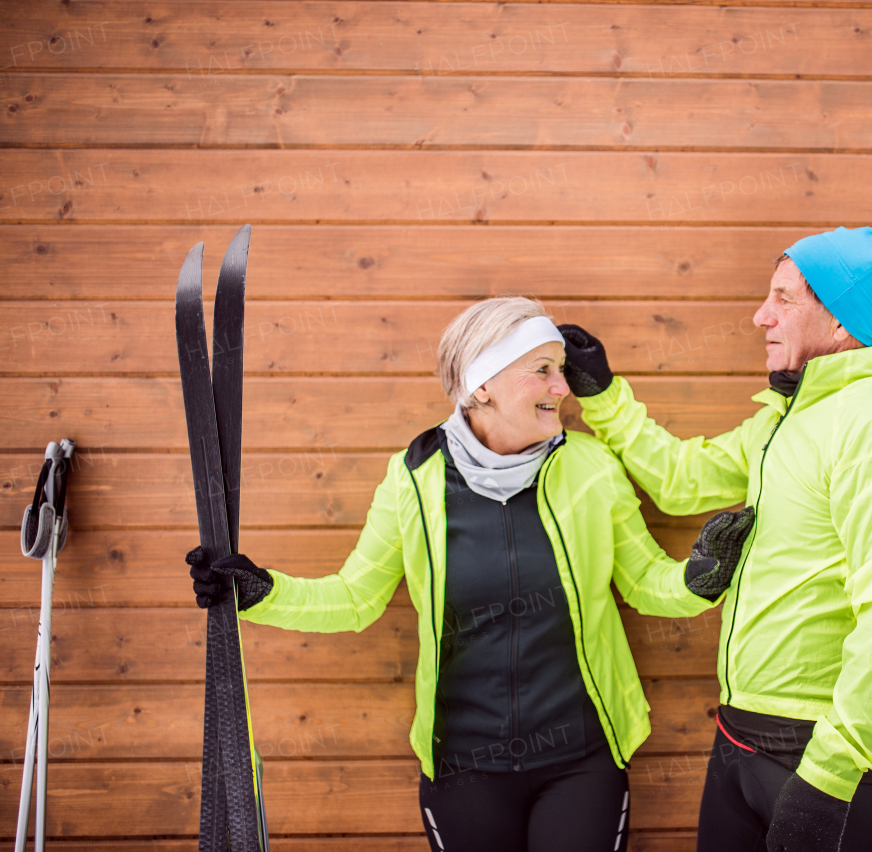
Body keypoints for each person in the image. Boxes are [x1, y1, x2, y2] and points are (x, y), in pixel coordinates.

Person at [187, 296, 755, 852]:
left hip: (580, 760)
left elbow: (644, 583)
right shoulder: (416, 478)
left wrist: (697, 580)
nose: (564, 388)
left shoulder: (590, 467)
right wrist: (263, 593)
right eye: (543, 371)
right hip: (463, 768)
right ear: (481, 385)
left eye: (561, 371)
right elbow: (356, 598)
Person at [557, 226, 872, 852]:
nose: (760, 316)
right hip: (740, 736)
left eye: (784, 299)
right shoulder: (784, 419)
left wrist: (829, 777)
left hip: (817, 753)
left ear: (841, 320)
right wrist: (604, 397)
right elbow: (680, 481)